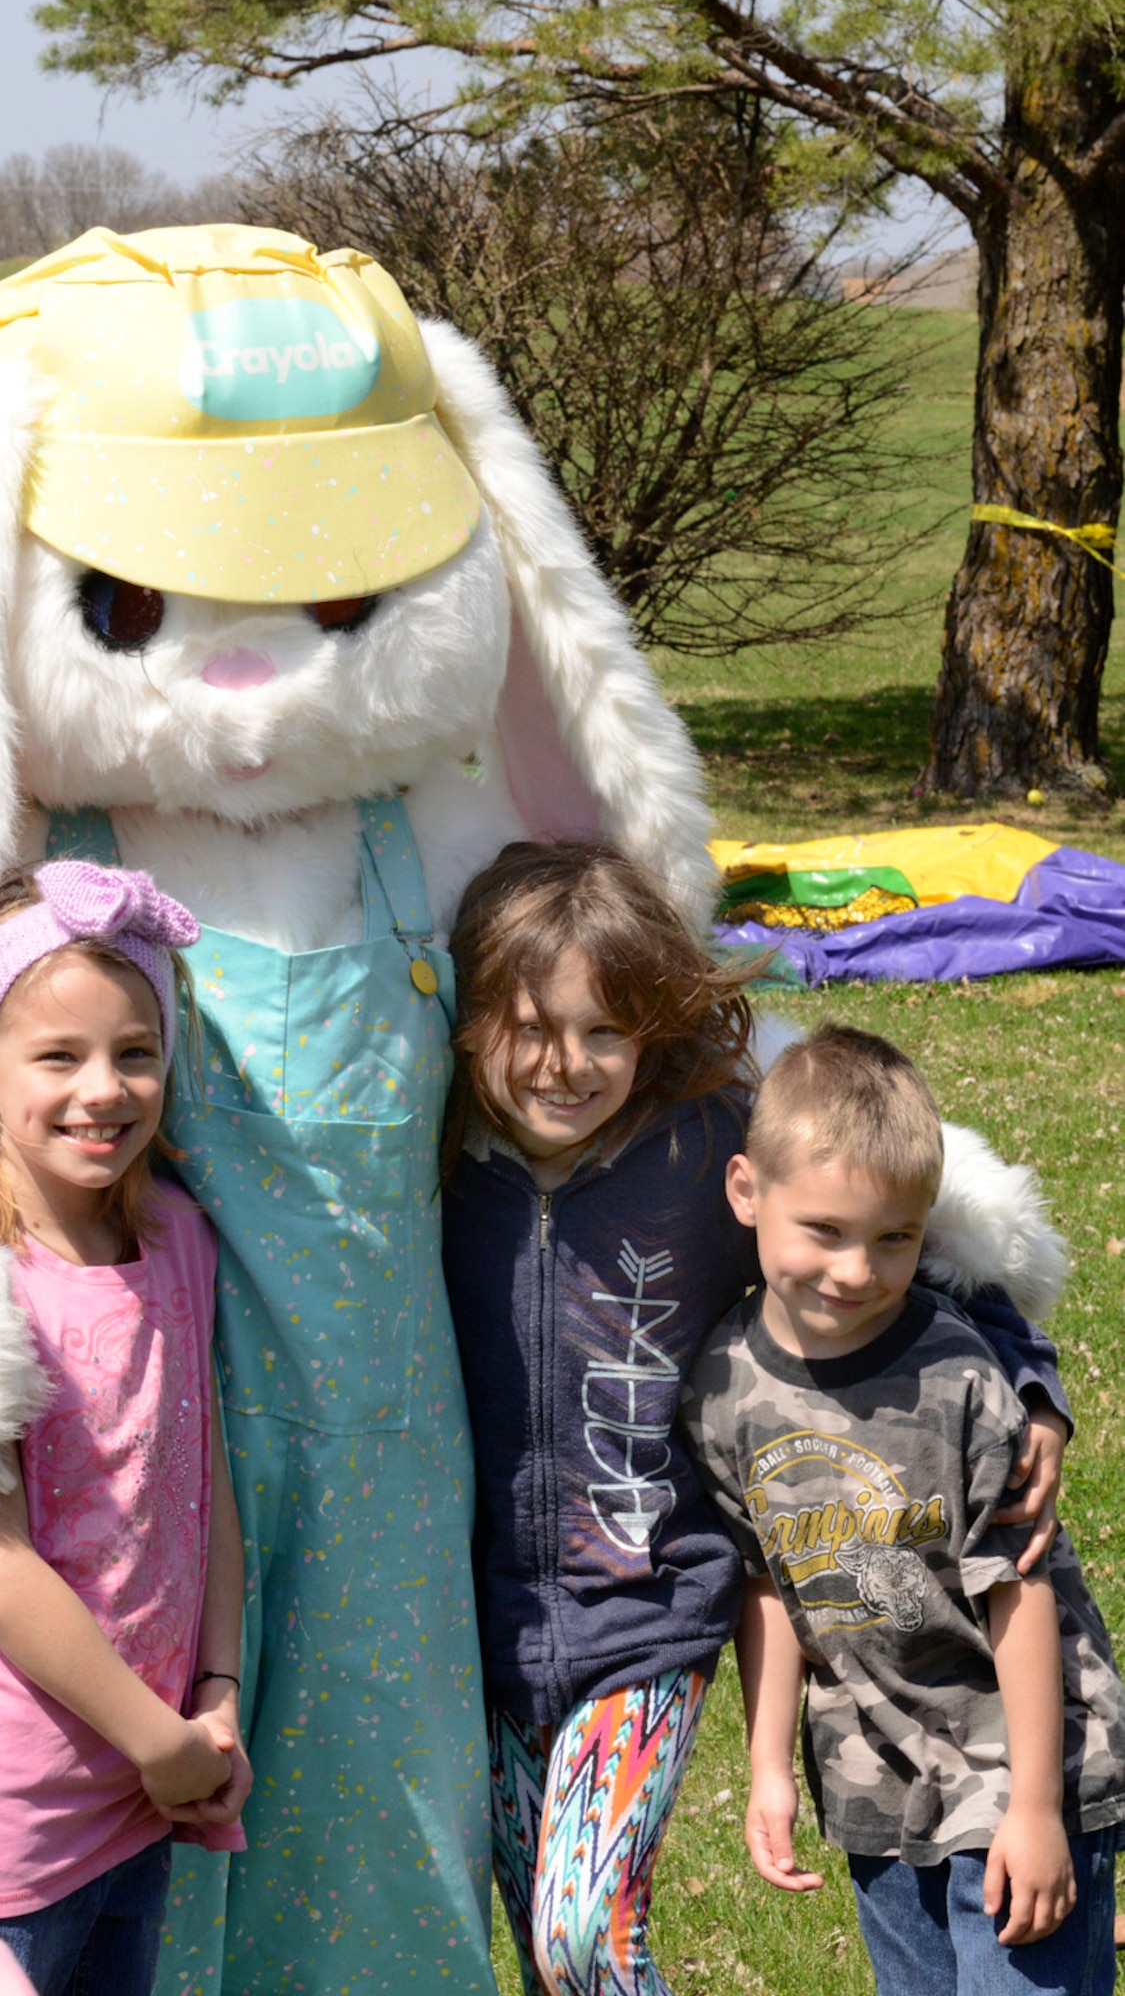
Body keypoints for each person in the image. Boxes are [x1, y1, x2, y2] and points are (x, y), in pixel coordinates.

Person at [440, 843, 1074, 1996]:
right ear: (470, 1018)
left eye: (602, 1030)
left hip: (647, 1611)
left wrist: (1029, 1376)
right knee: (548, 1951)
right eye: (530, 1026)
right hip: (476, 1627)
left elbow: (909, 1233)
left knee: (584, 1934)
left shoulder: (701, 1144)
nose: (566, 1064)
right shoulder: (427, 1156)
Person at [0, 859, 252, 1996]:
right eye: (58, 1055)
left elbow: (201, 1480)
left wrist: (216, 1688)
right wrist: (157, 1734)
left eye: (136, 1051)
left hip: (140, 1794)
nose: (105, 1087)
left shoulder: (177, 1239)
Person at [683, 1023, 1125, 1996]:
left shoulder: (957, 1378)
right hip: (877, 1779)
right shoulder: (724, 1384)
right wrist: (767, 1766)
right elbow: (763, 1583)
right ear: (746, 1192)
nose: (856, 1269)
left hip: (1019, 1767)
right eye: (824, 1231)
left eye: (894, 1237)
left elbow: (1018, 1589)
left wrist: (1039, 1806)